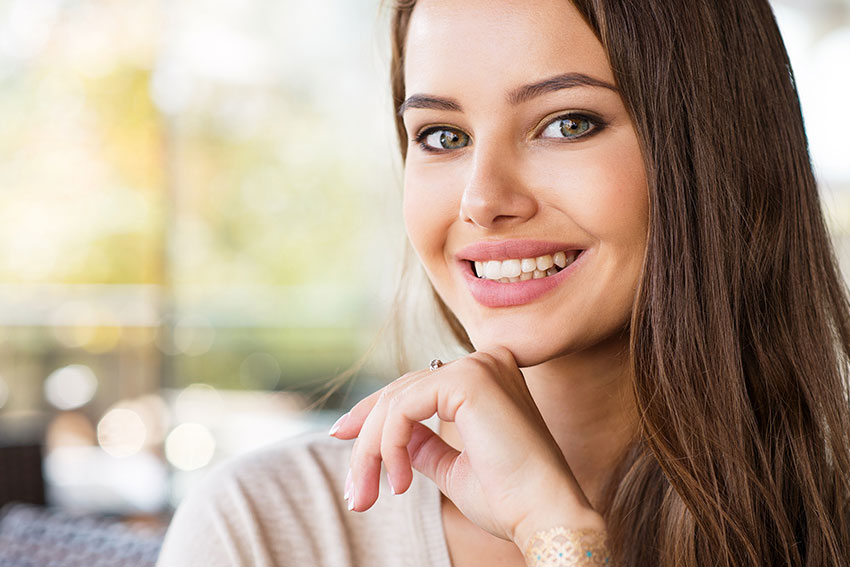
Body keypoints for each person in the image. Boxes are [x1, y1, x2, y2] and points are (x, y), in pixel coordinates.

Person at [157, 0, 850, 565]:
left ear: (717, 149)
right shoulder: (262, 529)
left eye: (567, 124)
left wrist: (558, 534)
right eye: (443, 136)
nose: (482, 200)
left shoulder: (829, 518)